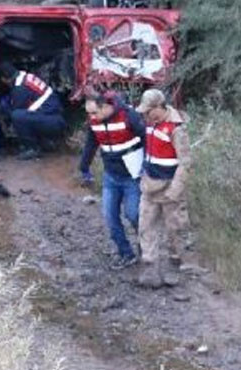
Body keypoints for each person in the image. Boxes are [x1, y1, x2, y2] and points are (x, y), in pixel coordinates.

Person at [78, 88, 146, 269]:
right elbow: (91, 144)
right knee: (110, 216)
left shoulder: (129, 116)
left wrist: (147, 166)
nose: (91, 117)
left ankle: (146, 246)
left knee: (133, 214)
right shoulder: (94, 121)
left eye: (94, 112)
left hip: (132, 176)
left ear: (106, 107)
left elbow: (147, 139)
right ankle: (126, 253)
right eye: (89, 113)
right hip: (111, 176)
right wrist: (84, 167)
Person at [135, 88, 191, 289]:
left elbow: (185, 163)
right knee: (145, 226)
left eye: (149, 111)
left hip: (169, 189)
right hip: (149, 186)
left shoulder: (176, 129)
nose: (146, 115)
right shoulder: (149, 123)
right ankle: (150, 267)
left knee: (174, 229)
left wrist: (174, 191)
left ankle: (174, 267)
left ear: (160, 107)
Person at [0, 61, 66, 160]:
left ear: (4, 79)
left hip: (54, 122)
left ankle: (32, 148)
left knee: (17, 116)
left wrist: (5, 107)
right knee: (24, 116)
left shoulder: (19, 88)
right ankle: (44, 142)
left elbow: (16, 114)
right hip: (54, 118)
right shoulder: (25, 76)